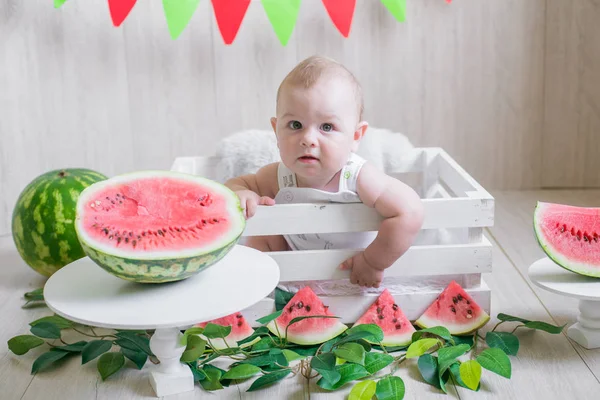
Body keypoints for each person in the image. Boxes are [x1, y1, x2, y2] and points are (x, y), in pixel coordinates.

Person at [224, 55, 424, 289]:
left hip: (351, 269)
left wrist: (373, 261)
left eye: (327, 127)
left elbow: (411, 212)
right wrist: (241, 192)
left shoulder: (359, 177)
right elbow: (235, 184)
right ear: (276, 131)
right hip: (293, 265)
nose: (308, 139)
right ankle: (263, 287)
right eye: (295, 125)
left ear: (356, 137)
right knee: (261, 237)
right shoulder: (279, 176)